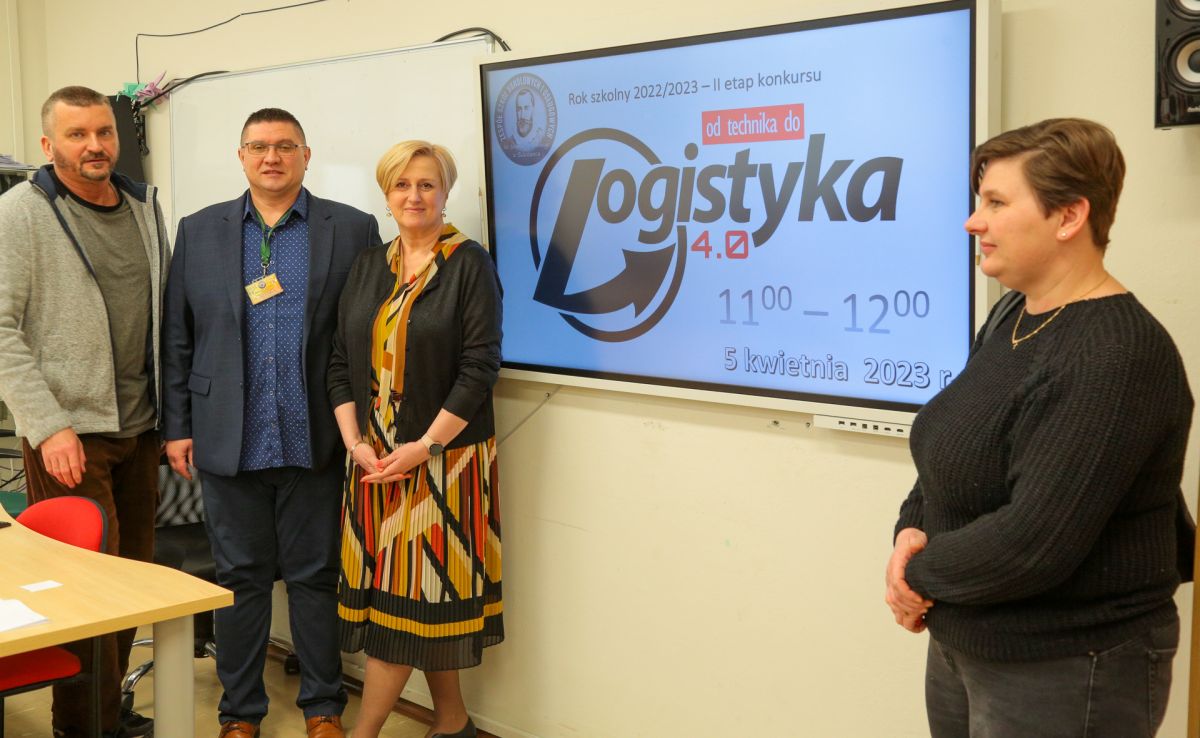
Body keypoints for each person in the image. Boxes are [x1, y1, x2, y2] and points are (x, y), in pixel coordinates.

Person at [885, 118, 1194, 738]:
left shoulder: (1118, 353)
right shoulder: (1013, 315)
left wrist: (914, 575)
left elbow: (1032, 544)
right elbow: (948, 443)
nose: (974, 222)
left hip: (1066, 665)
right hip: (965, 639)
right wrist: (908, 532)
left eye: (996, 203)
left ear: (1069, 216)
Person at [161, 108, 380, 738]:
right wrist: (178, 425)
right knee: (240, 580)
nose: (272, 157)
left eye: (285, 146)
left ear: (306, 156)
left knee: (315, 578)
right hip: (229, 436)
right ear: (242, 157)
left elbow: (365, 334)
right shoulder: (199, 230)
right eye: (259, 146)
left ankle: (323, 708)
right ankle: (240, 714)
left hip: (317, 436)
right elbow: (177, 336)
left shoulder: (352, 227)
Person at [0, 85, 166, 738]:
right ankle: (82, 727)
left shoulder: (143, 206)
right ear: (49, 145)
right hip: (71, 436)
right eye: (77, 134)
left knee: (127, 588)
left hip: (141, 430)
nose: (94, 145)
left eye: (103, 132)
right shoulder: (20, 212)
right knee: (86, 595)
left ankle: (104, 711)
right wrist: (48, 427)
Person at [327, 140, 503, 738]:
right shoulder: (368, 265)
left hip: (443, 466)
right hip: (373, 463)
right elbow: (339, 362)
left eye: (427, 184)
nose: (414, 195)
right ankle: (453, 722)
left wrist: (424, 447)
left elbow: (479, 370)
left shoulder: (469, 264)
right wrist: (355, 445)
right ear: (386, 194)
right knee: (423, 606)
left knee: (402, 612)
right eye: (402, 184)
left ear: (445, 192)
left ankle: (362, 734)